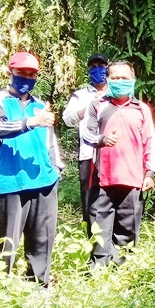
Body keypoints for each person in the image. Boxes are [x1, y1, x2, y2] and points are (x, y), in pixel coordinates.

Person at [0, 52, 63, 285]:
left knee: (42, 237)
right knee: (6, 241)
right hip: (9, 180)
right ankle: (2, 288)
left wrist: (56, 167)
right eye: (21, 73)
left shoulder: (39, 105)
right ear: (10, 72)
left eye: (31, 74)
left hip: (44, 180)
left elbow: (50, 140)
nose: (27, 78)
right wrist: (31, 122)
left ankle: (40, 284)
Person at [83, 60, 155, 267]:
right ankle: (98, 271)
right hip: (102, 179)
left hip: (133, 179)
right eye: (115, 78)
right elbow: (87, 135)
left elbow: (149, 142)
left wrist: (149, 173)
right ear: (107, 80)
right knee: (99, 230)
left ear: (133, 80)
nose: (120, 81)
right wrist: (102, 140)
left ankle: (123, 272)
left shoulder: (141, 109)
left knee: (127, 232)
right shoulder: (97, 105)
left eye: (124, 78)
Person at [63, 53, 108, 234]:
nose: (98, 68)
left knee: (111, 194)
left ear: (107, 67)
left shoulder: (117, 91)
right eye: (93, 66)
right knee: (90, 197)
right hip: (88, 154)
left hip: (113, 153)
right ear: (89, 70)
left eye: (101, 65)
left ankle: (110, 236)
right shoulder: (80, 95)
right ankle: (91, 236)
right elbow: (67, 119)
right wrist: (88, 108)